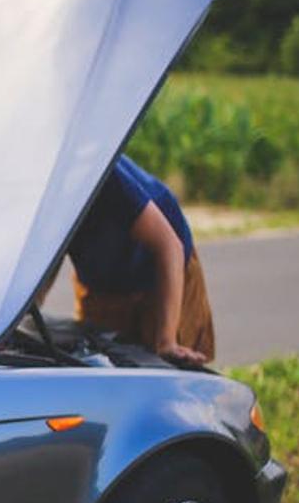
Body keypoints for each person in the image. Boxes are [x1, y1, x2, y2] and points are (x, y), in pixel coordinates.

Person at [65, 155, 215, 365]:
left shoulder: (101, 174)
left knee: (166, 365)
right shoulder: (33, 191)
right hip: (101, 282)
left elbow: (169, 247)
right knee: (98, 363)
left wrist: (167, 341)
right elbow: (44, 257)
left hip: (163, 271)